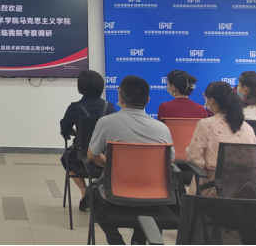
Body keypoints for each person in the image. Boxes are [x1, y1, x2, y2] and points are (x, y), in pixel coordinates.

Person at [86, 76, 174, 246]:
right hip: (154, 194)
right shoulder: (162, 128)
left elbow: (92, 155)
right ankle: (139, 240)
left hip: (115, 192)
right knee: (145, 208)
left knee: (91, 192)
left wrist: (110, 167)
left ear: (120, 97)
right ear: (148, 99)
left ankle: (115, 240)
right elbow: (170, 160)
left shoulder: (106, 122)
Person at [186, 81, 256, 197]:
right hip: (246, 187)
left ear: (211, 100)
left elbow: (194, 158)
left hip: (215, 186)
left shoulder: (205, 124)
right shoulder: (247, 127)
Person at [60, 69, 115, 212]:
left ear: (81, 87)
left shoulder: (75, 108)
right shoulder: (109, 107)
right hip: (106, 158)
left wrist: (79, 134)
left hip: (80, 157)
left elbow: (65, 130)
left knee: (65, 159)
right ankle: (98, 189)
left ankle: (84, 191)